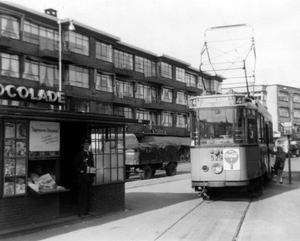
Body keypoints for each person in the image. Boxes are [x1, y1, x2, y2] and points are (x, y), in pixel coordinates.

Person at [73, 139, 95, 217]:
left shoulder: (91, 154)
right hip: (83, 177)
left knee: (89, 194)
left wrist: (93, 174)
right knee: (82, 195)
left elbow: (92, 165)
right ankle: (81, 212)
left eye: (88, 144)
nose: (86, 146)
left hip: (89, 176)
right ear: (83, 145)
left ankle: (87, 211)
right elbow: (75, 165)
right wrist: (81, 171)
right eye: (85, 144)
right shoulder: (80, 154)